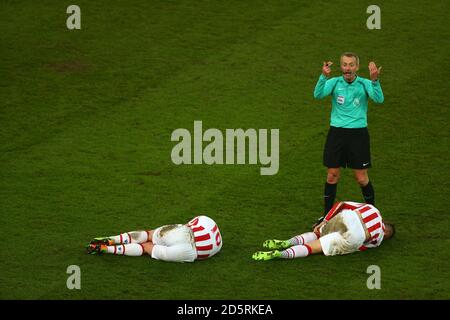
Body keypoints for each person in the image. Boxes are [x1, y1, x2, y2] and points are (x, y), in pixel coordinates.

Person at [313, 52, 384, 226]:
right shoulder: (335, 82)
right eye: (344, 64)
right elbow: (318, 94)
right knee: (332, 175)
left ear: (357, 67)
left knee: (361, 177)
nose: (347, 68)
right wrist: (323, 75)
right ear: (341, 66)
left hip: (358, 135)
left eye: (351, 65)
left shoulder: (365, 84)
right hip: (337, 134)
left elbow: (379, 99)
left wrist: (375, 81)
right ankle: (326, 217)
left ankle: (374, 216)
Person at [252, 201, 395, 261]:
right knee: (314, 247)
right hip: (357, 236)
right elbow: (362, 246)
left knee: (317, 233)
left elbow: (342, 204)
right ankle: (280, 254)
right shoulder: (379, 239)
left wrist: (324, 221)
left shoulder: (372, 209)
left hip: (348, 217)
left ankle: (288, 242)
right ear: (387, 233)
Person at [86, 215, 222, 262]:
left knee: (150, 235)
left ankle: (112, 238)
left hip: (185, 232)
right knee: (147, 248)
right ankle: (107, 249)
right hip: (190, 251)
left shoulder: (206, 220)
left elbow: (188, 224)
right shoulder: (210, 227)